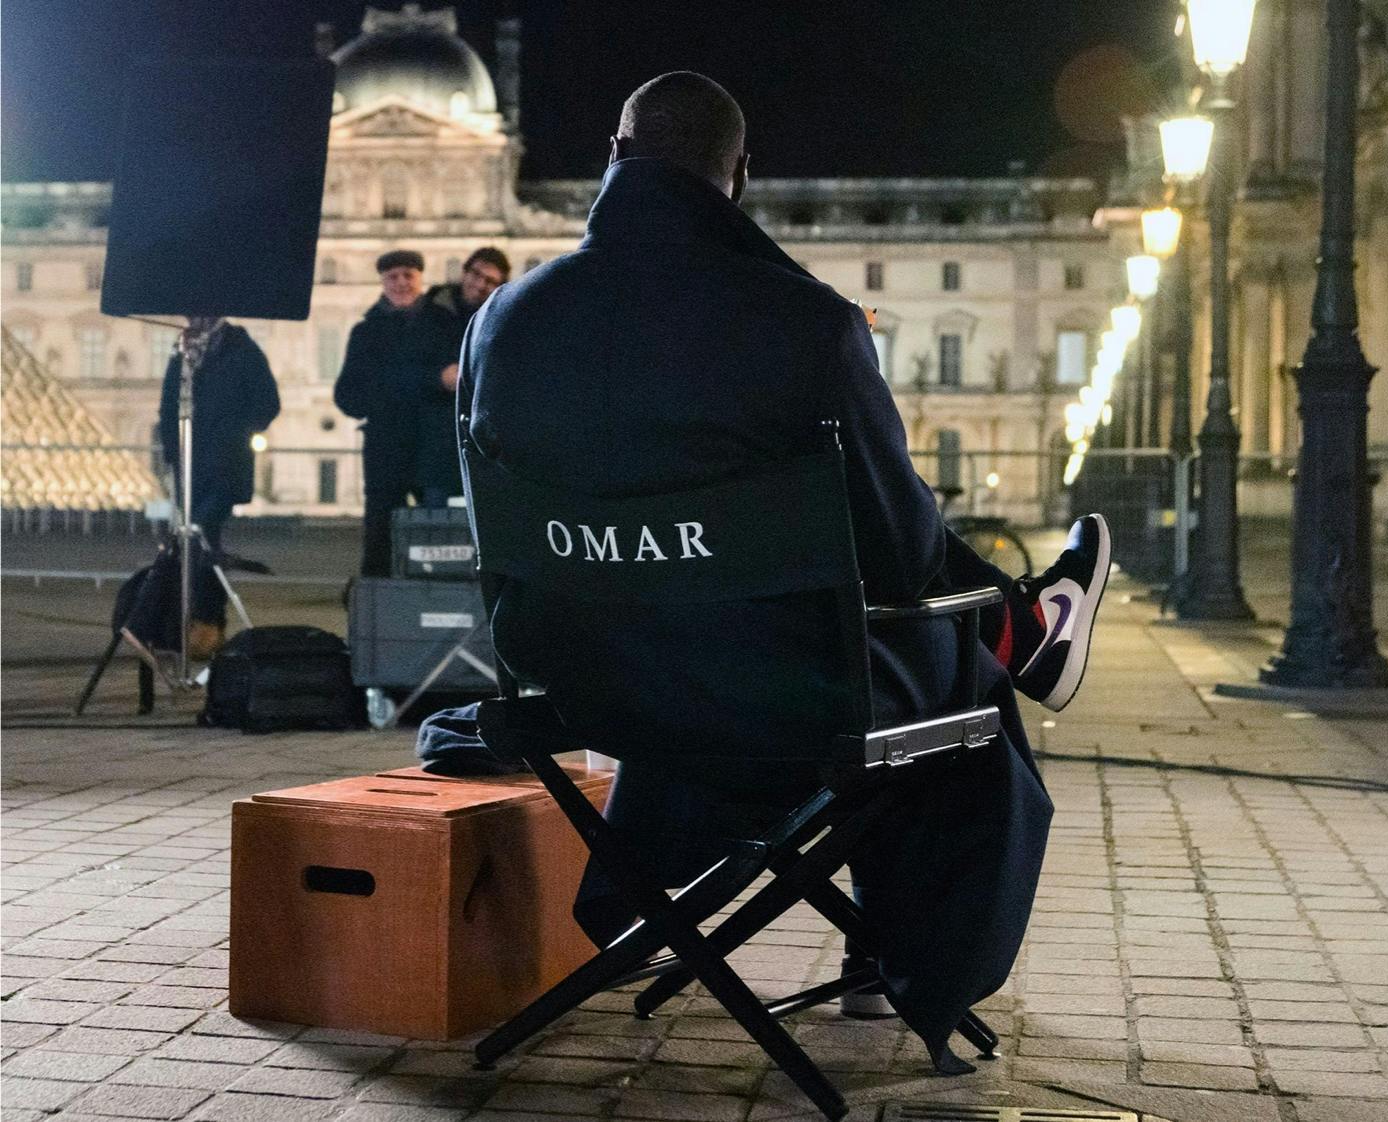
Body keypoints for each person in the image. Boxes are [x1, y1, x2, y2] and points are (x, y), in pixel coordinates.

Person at [454, 72, 1110, 1071]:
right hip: (780, 696)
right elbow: (900, 557)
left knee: (752, 644)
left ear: (614, 155)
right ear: (741, 177)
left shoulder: (501, 319)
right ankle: (906, 951)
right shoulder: (808, 323)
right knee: (949, 678)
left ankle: (1025, 632)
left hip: (581, 685)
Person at [155, 316, 280, 657]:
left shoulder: (241, 348)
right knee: (195, 543)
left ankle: (205, 625)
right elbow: (168, 406)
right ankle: (195, 624)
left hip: (225, 464)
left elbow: (268, 402)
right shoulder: (181, 351)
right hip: (188, 463)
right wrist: (171, 450)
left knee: (202, 537)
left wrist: (233, 434)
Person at [335, 249, 449, 576]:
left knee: (438, 535)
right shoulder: (366, 331)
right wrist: (427, 381)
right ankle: (378, 602)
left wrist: (385, 389)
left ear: (420, 279)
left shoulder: (442, 324)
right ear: (383, 282)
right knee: (380, 533)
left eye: (407, 275)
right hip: (390, 445)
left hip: (431, 445)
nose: (400, 283)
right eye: (393, 277)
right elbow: (346, 395)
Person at [416, 247, 511, 507]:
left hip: (481, 444)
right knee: (435, 530)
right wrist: (438, 378)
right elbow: (406, 368)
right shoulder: (429, 312)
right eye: (476, 274)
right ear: (464, 272)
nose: (480, 284)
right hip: (435, 442)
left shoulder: (501, 320)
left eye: (490, 281)